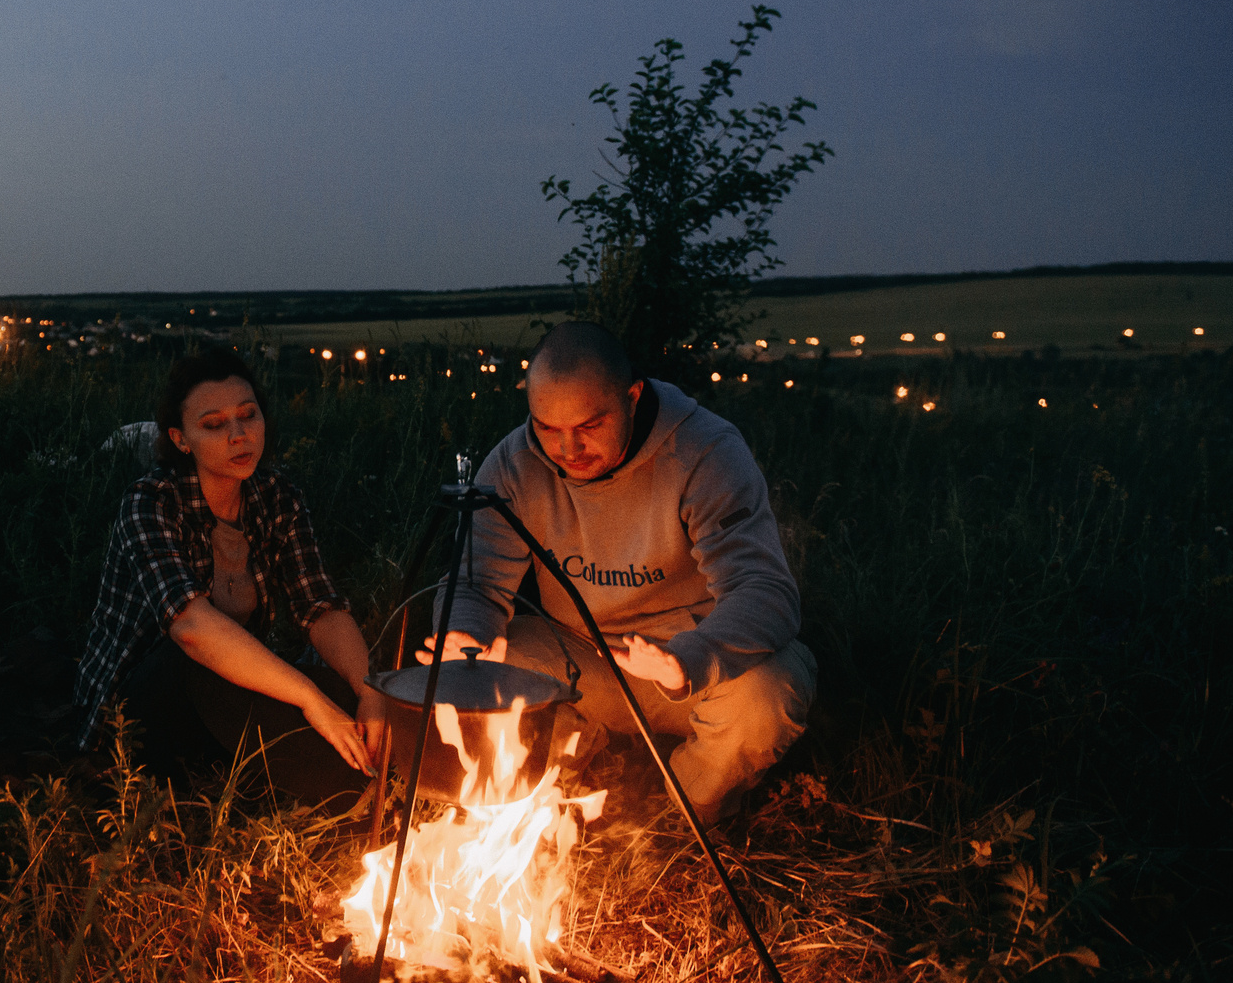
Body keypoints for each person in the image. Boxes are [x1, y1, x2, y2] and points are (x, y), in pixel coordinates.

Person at [426, 320, 814, 825]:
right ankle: (564, 774)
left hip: (689, 660)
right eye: (548, 428)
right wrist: (467, 635)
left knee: (771, 692)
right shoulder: (515, 465)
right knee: (498, 659)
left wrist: (686, 659)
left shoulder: (703, 451)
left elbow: (765, 590)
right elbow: (477, 579)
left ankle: (694, 801)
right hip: (582, 657)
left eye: (589, 426)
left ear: (632, 396)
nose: (567, 450)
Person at [73, 348, 390, 808]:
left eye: (248, 415)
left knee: (345, 690)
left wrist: (370, 691)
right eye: (214, 424)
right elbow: (193, 630)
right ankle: (347, 797)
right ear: (182, 440)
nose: (239, 435)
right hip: (136, 709)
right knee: (215, 662)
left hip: (219, 696)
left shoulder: (276, 498)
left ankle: (360, 775)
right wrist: (309, 699)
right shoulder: (151, 503)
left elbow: (320, 606)